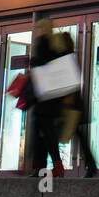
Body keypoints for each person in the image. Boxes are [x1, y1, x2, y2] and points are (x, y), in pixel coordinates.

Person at [52, 30, 98, 178]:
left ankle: (58, 167)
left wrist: (66, 101)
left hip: (69, 106)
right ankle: (90, 166)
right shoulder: (68, 58)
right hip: (72, 106)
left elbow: (70, 83)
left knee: (52, 136)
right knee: (79, 136)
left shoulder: (65, 58)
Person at [27, 18, 65, 177]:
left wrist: (32, 62)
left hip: (44, 98)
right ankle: (43, 167)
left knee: (44, 134)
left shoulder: (43, 42)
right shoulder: (56, 44)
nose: (36, 30)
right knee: (44, 134)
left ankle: (45, 166)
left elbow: (41, 65)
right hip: (52, 98)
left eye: (38, 27)